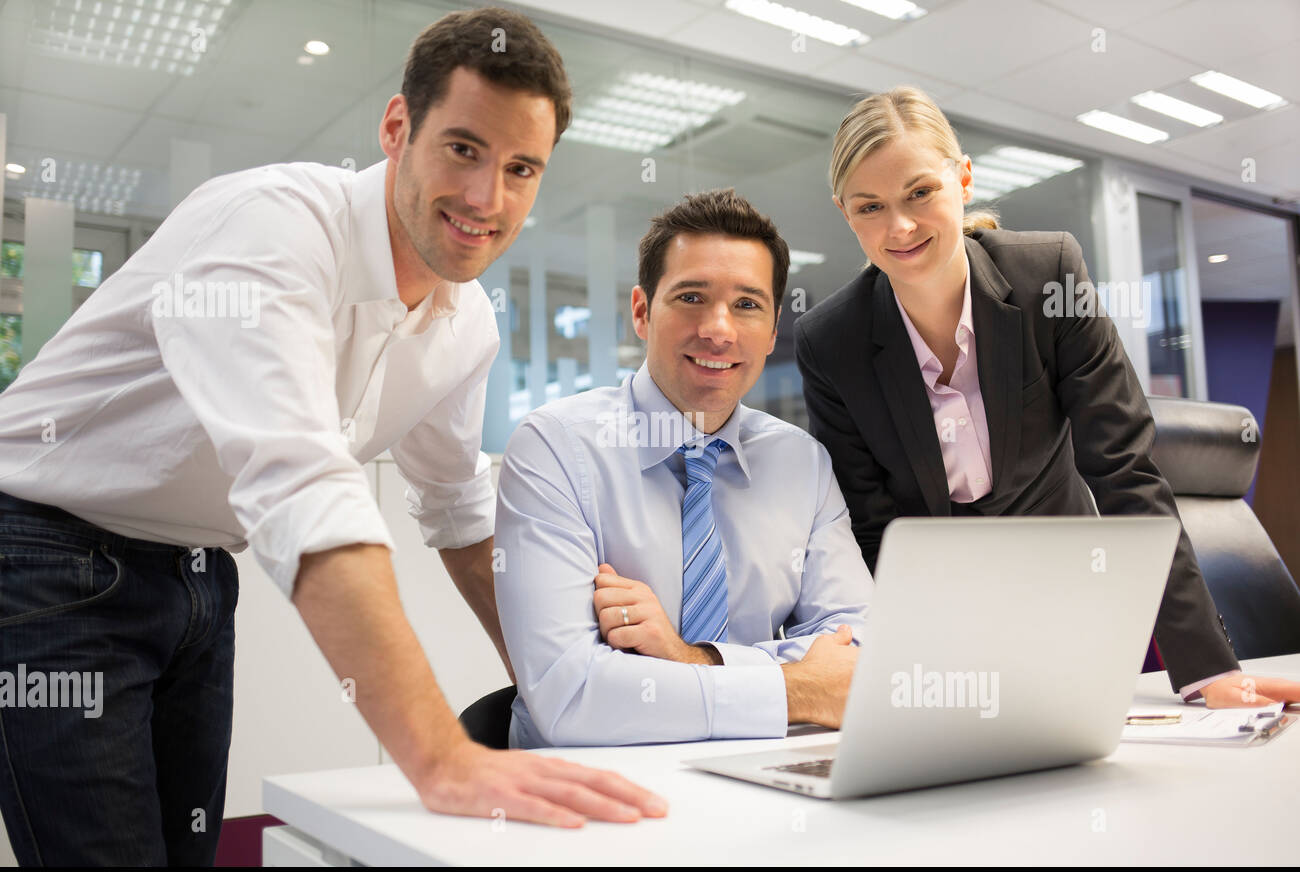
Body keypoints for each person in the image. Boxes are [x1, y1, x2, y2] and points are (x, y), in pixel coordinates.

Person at [0, 7, 664, 866]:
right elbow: (300, 484)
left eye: (521, 168)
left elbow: (461, 515)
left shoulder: (468, 327)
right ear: (398, 128)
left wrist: (561, 693)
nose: (485, 199)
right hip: (46, 549)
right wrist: (441, 758)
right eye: (463, 148)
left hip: (202, 575)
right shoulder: (271, 225)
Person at [794, 86, 1300, 709]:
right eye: (869, 206)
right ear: (847, 213)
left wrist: (1207, 670)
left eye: (919, 192)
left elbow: (1124, 472)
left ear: (964, 178)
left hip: (1071, 595)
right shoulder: (831, 341)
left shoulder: (1048, 277)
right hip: (937, 624)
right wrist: (908, 670)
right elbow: (872, 529)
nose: (898, 226)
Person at [495, 189, 872, 749]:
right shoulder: (554, 448)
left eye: (747, 304)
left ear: (772, 332)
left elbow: (860, 649)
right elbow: (570, 697)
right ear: (642, 312)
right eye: (692, 296)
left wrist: (687, 657)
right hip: (598, 795)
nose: (718, 329)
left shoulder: (801, 462)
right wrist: (799, 688)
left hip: (761, 780)